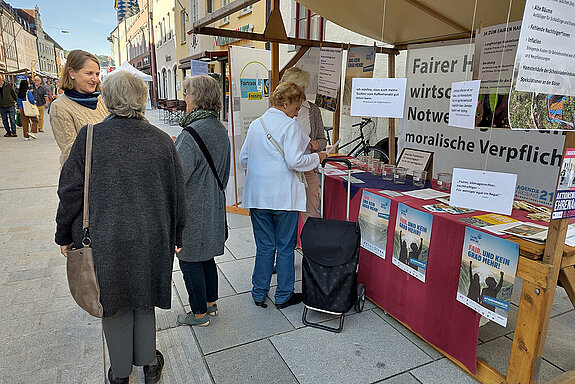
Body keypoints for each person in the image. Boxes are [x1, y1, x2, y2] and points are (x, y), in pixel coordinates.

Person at [55, 70, 186, 384]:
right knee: (144, 298)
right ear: (142, 99)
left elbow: (70, 191)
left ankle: (120, 372)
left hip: (104, 236)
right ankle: (149, 364)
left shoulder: (90, 137)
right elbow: (178, 194)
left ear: (107, 99)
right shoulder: (161, 140)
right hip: (152, 237)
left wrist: (63, 233)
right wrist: (177, 234)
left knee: (112, 302)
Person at [240, 82, 326, 309]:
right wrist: (319, 157)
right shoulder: (290, 126)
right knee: (285, 247)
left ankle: (259, 293)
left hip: (258, 197)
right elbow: (295, 161)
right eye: (297, 107)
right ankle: (284, 295)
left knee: (265, 246)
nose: (298, 112)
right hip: (284, 198)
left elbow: (243, 160)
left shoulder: (257, 125)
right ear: (286, 103)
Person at [174, 75, 231, 327]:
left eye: (186, 93)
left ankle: (198, 314)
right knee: (207, 257)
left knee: (189, 259)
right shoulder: (219, 128)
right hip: (215, 204)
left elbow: (177, 177)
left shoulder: (191, 133)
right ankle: (211, 303)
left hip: (194, 208)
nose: (184, 98)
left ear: (196, 97)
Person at [280, 67, 327, 222]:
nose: (301, 93)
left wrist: (316, 144)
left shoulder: (312, 110)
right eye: (297, 88)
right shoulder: (278, 111)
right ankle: (292, 243)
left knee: (311, 211)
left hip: (308, 168)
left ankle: (309, 244)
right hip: (284, 170)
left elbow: (322, 140)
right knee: (286, 214)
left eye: (303, 88)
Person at [49, 50, 108, 165]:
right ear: (71, 73)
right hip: (84, 177)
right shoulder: (60, 107)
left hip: (108, 172)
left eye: (96, 74)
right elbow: (71, 152)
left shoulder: (101, 100)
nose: (95, 79)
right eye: (89, 73)